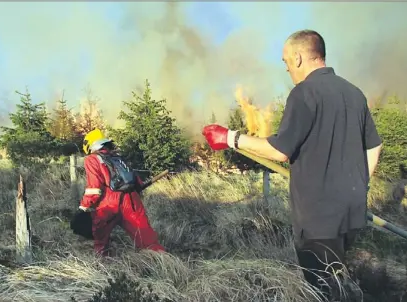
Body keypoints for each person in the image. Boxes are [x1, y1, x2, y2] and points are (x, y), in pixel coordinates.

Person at [202, 30, 382, 297]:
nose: (287, 69)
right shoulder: (354, 93)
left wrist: (229, 138)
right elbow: (375, 145)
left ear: (298, 58)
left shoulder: (304, 93)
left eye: (286, 62)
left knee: (322, 289)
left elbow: (279, 150)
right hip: (351, 214)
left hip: (318, 220)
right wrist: (360, 186)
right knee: (340, 279)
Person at [78, 128, 165, 256]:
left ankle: (102, 268)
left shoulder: (91, 159)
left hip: (108, 204)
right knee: (145, 236)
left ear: (90, 145)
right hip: (131, 200)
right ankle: (162, 262)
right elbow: (137, 182)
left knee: (101, 239)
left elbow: (94, 189)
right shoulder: (118, 157)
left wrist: (83, 207)